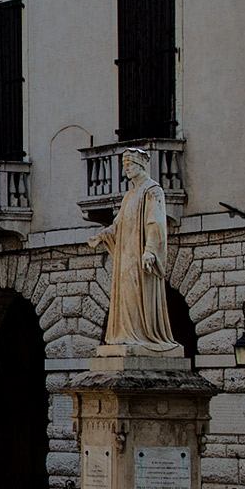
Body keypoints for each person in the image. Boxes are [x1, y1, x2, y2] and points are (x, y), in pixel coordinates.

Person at [87, 149, 182, 354]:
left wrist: (150, 250)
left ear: (140, 165)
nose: (126, 169)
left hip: (141, 255)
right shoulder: (130, 194)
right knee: (125, 294)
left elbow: (155, 222)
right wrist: (103, 235)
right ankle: (126, 334)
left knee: (137, 293)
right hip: (127, 255)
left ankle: (140, 335)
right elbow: (118, 224)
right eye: (125, 165)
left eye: (129, 165)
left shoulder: (152, 190)